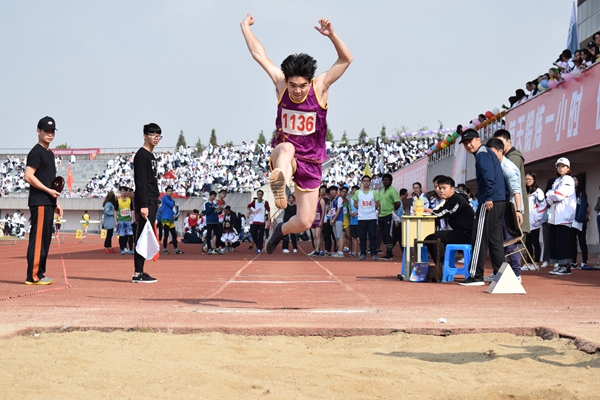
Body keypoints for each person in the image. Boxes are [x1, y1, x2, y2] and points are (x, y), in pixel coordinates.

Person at [240, 14, 353, 254]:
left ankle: (280, 230)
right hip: (285, 156)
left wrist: (332, 35)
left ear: (309, 82)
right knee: (287, 148)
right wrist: (245, 27)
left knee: (304, 221)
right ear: (286, 81)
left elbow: (346, 59)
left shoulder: (320, 86)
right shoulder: (281, 84)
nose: (298, 91)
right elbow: (258, 54)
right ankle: (280, 180)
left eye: (302, 86)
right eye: (293, 86)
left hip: (311, 162)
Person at [459, 130, 507, 286]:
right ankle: (501, 275)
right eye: (465, 143)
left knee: (478, 239)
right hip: (499, 201)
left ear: (478, 139)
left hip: (490, 201)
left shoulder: (482, 153)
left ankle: (476, 275)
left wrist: (489, 197)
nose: (468, 145)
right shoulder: (486, 153)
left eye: (470, 141)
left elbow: (488, 176)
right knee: (495, 240)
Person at [24, 116, 63, 285]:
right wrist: (47, 191)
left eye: (52, 131)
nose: (50, 134)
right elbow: (28, 176)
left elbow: (51, 181)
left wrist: (56, 203)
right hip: (39, 201)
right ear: (38, 131)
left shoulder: (50, 154)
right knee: (39, 238)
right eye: (46, 131)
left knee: (46, 239)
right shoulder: (36, 152)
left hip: (48, 202)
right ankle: (33, 275)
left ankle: (39, 273)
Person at [486, 138, 525, 281]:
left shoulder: (509, 168)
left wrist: (518, 211)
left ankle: (516, 274)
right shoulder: (492, 165)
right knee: (496, 242)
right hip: (498, 208)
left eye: (492, 153)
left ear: (501, 151)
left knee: (510, 243)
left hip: (510, 210)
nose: (490, 156)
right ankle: (498, 271)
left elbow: (516, 190)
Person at [131, 123, 162, 283]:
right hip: (146, 201)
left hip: (151, 200)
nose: (155, 138)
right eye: (152, 134)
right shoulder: (141, 155)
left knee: (146, 235)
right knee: (142, 236)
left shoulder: (151, 156)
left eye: (158, 135)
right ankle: (138, 273)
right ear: (145, 135)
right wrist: (143, 204)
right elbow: (141, 182)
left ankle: (140, 271)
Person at [423, 176, 474, 267]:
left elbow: (444, 212)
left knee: (434, 237)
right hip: (460, 232)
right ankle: (442, 265)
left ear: (452, 189)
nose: (441, 191)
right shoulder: (450, 199)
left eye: (444, 188)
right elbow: (441, 210)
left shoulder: (457, 199)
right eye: (439, 188)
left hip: (468, 234)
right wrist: (431, 212)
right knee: (429, 237)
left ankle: (442, 266)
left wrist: (431, 213)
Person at [493, 129, 529, 236]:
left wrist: (518, 210)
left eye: (501, 142)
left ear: (508, 142)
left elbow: (514, 187)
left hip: (515, 210)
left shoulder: (512, 159)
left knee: (515, 243)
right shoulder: (506, 158)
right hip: (512, 210)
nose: (498, 146)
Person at [546, 157, 576, 276]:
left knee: (562, 241)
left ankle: (566, 267)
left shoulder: (568, 179)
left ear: (568, 168)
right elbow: (548, 197)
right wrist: (551, 196)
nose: (560, 168)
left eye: (563, 166)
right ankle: (559, 265)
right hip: (554, 217)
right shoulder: (557, 180)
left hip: (564, 216)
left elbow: (560, 195)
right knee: (555, 241)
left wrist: (551, 196)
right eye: (558, 166)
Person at [353, 175, 380, 261]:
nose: (366, 182)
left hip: (372, 217)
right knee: (362, 237)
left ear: (370, 182)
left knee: (372, 236)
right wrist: (361, 210)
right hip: (362, 218)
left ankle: (373, 254)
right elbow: (355, 204)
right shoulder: (358, 192)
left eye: (368, 181)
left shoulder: (373, 192)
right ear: (362, 182)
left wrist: (371, 210)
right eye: (364, 181)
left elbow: (378, 204)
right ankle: (362, 253)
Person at [524, 172, 547, 269]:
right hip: (526, 222)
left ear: (534, 180)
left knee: (535, 242)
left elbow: (543, 206)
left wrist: (536, 218)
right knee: (527, 243)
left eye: (529, 179)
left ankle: (536, 263)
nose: (527, 181)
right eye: (526, 179)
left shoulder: (538, 192)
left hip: (534, 222)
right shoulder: (524, 191)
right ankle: (529, 263)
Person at [378, 173, 401, 261]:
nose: (386, 182)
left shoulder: (393, 191)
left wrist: (392, 210)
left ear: (391, 181)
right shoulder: (381, 191)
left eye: (387, 180)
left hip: (389, 215)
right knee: (383, 235)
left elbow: (397, 203)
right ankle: (388, 252)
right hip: (381, 215)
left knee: (389, 234)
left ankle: (389, 253)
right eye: (384, 180)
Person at [570, 174, 589, 269]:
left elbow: (583, 207)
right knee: (572, 243)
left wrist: (578, 218)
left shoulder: (582, 194)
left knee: (582, 242)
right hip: (571, 222)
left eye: (576, 180)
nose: (574, 182)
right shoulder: (570, 194)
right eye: (572, 180)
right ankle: (573, 262)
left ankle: (584, 261)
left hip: (580, 222)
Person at [161, 185, 184, 255]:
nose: (170, 192)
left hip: (170, 219)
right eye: (169, 191)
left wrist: (174, 214)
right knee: (166, 235)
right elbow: (171, 205)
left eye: (171, 191)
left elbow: (171, 209)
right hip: (165, 219)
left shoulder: (170, 199)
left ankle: (176, 249)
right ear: (166, 192)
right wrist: (173, 203)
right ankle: (165, 249)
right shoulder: (164, 198)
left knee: (174, 235)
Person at [247, 190, 270, 254]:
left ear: (262, 195)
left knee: (261, 235)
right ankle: (259, 246)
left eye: (260, 194)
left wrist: (268, 220)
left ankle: (259, 248)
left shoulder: (265, 202)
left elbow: (268, 211)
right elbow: (248, 206)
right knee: (253, 233)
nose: (259, 195)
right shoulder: (255, 201)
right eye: (258, 194)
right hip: (255, 221)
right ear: (257, 195)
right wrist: (252, 211)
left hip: (262, 221)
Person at [308, 186, 327, 256]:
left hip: (319, 220)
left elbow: (323, 211)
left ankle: (317, 250)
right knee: (314, 236)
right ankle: (316, 249)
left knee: (318, 235)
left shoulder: (321, 200)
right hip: (312, 220)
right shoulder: (312, 201)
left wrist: (321, 221)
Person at [116, 186, 134, 255]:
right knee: (121, 235)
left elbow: (132, 210)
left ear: (127, 192)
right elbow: (115, 211)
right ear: (120, 192)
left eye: (124, 191)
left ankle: (131, 249)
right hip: (120, 220)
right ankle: (122, 249)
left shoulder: (129, 200)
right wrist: (115, 221)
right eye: (122, 191)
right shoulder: (118, 200)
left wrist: (132, 219)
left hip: (128, 220)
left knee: (130, 235)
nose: (123, 193)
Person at [328, 186, 345, 258]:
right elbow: (332, 211)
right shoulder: (333, 200)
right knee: (336, 236)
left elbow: (338, 209)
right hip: (334, 220)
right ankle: (338, 251)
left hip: (338, 219)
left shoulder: (339, 198)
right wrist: (331, 219)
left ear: (336, 191)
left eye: (333, 190)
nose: (332, 192)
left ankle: (341, 251)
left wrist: (334, 218)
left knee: (339, 235)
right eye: (331, 190)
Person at [204, 191, 223, 255]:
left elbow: (217, 212)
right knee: (209, 235)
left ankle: (217, 248)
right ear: (210, 196)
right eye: (213, 196)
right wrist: (211, 208)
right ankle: (209, 248)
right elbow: (206, 212)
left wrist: (220, 209)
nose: (214, 197)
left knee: (218, 235)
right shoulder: (206, 203)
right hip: (209, 221)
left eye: (215, 196)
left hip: (216, 221)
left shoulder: (216, 203)